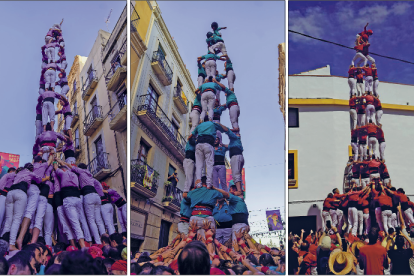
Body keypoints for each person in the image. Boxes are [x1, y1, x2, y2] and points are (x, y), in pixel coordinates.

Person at [1, 163, 46, 251]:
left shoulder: (17, 173)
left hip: (10, 193)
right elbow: (39, 180)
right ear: (31, 169)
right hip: (20, 193)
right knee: (17, 219)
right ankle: (11, 244)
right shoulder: (30, 172)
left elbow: (8, 177)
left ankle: (2, 244)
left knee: (8, 220)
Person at [53, 160, 86, 248]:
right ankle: (81, 244)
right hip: (77, 199)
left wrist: (54, 161)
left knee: (73, 224)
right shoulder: (74, 174)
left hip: (68, 199)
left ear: (62, 170)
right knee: (79, 222)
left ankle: (82, 247)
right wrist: (61, 161)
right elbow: (65, 166)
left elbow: (55, 168)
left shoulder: (62, 173)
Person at [217, 123, 244, 194]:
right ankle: (239, 189)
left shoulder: (234, 138)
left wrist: (220, 125)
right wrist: (222, 145)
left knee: (235, 174)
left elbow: (227, 131)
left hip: (235, 156)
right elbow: (227, 146)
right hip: (239, 156)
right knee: (238, 174)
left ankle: (239, 191)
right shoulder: (235, 143)